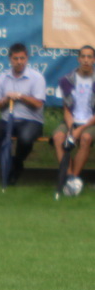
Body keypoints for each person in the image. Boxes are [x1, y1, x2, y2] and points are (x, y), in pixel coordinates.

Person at [0, 43, 46, 186]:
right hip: (7, 120)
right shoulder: (3, 78)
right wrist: (5, 100)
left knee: (25, 139)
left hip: (31, 121)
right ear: (10, 59)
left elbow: (38, 104)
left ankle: (17, 164)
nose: (19, 62)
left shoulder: (37, 77)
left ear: (27, 58)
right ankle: (8, 165)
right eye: (16, 59)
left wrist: (20, 96)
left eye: (22, 58)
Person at [52, 45, 95, 185]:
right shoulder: (66, 80)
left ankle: (74, 179)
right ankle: (69, 176)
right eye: (83, 56)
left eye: (89, 57)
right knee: (58, 136)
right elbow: (66, 109)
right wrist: (71, 129)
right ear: (78, 59)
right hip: (71, 120)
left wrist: (79, 130)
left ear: (94, 60)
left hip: (90, 122)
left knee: (86, 138)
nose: (86, 60)